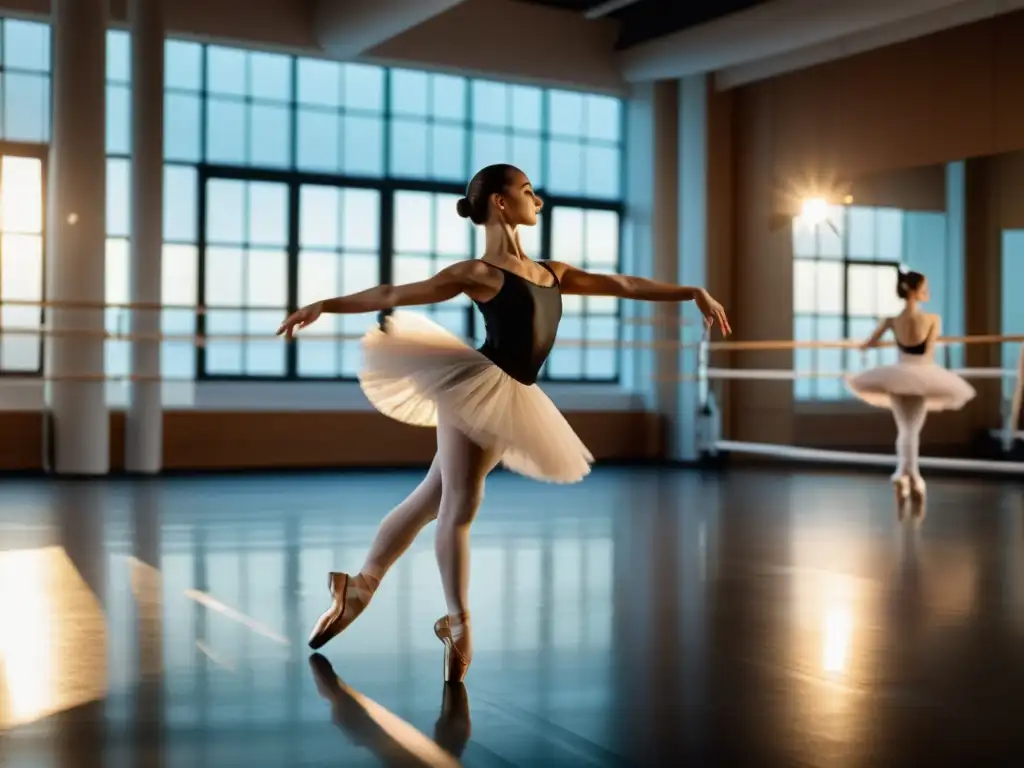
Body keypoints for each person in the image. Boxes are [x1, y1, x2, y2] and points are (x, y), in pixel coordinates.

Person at [277, 163, 731, 683]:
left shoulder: (553, 271)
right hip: (475, 383)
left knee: (432, 496)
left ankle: (358, 587)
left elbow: (623, 283)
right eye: (528, 192)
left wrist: (691, 290)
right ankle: (458, 621)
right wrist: (324, 305)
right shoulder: (478, 274)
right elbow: (390, 295)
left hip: (514, 393)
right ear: (499, 202)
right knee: (461, 504)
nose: (538, 202)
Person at [846, 268, 975, 501]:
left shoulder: (892, 320)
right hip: (921, 374)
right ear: (916, 291)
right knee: (911, 430)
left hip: (897, 375)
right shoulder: (933, 319)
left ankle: (904, 475)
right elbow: (930, 352)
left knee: (904, 428)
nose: (928, 292)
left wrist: (859, 346)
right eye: (925, 288)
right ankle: (912, 475)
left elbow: (868, 344)